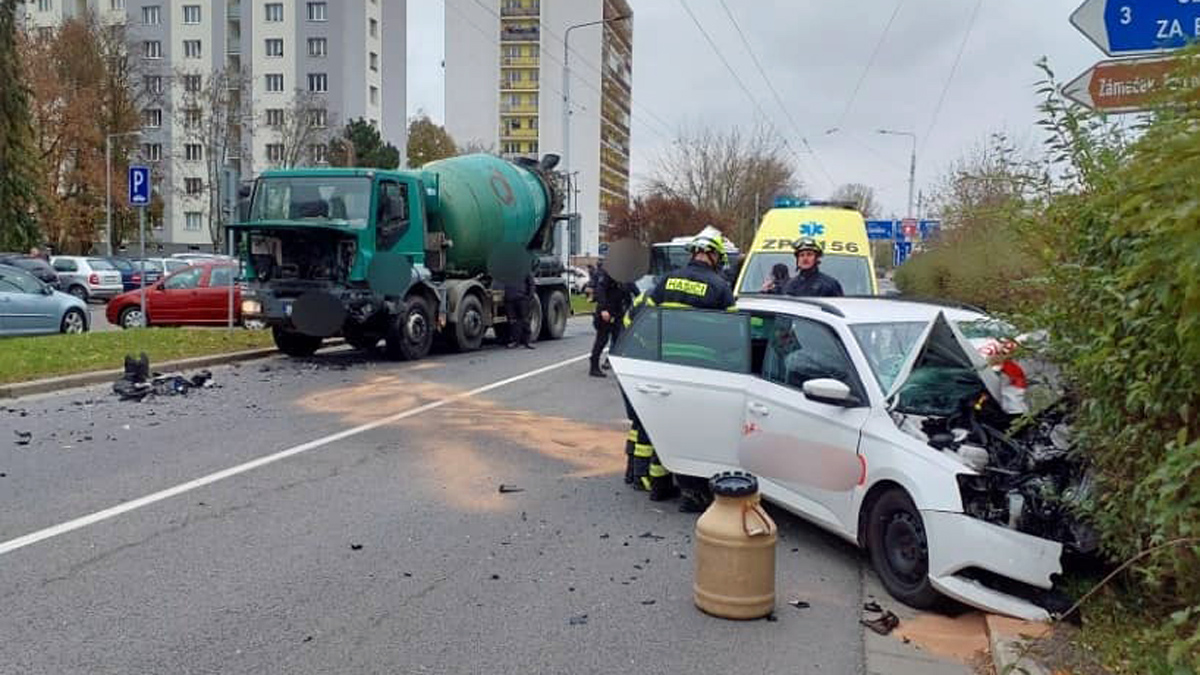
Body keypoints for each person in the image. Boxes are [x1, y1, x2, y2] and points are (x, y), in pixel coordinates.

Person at [624, 225, 736, 512]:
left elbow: (640, 317)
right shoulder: (721, 288)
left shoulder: (666, 280)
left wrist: (651, 347)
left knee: (661, 424)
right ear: (715, 256)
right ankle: (693, 494)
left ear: (694, 253)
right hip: (701, 370)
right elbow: (733, 336)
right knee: (694, 432)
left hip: (665, 365)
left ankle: (658, 486)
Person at [589, 259, 634, 377]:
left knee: (619, 339)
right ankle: (594, 366)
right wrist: (603, 309)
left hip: (618, 312)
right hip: (606, 312)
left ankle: (614, 363)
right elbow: (600, 290)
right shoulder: (608, 273)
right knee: (602, 340)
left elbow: (632, 292)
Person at [502, 267, 536, 350]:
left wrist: (529, 297)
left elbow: (531, 283)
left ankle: (527, 342)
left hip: (522, 299)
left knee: (525, 320)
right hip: (509, 299)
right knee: (513, 321)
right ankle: (515, 341)